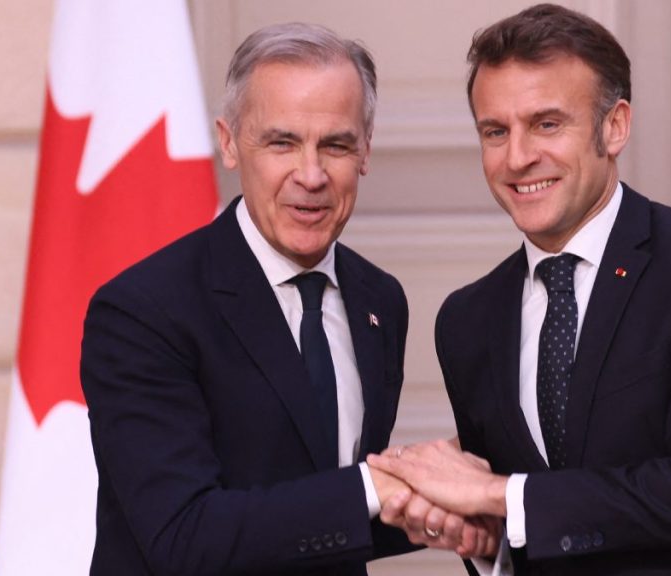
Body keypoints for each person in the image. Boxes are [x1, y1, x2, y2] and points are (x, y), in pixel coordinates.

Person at [369, 4, 671, 575]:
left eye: (547, 124)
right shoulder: (467, 320)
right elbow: (541, 524)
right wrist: (488, 541)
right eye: (495, 131)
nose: (517, 157)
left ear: (615, 126)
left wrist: (493, 494)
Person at [80, 22, 492, 575]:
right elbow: (183, 538)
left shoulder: (379, 300)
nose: (312, 175)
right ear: (229, 143)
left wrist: (445, 506)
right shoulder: (142, 311)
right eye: (282, 142)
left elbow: (329, 521)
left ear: (366, 150)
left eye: (336, 145)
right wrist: (383, 483)